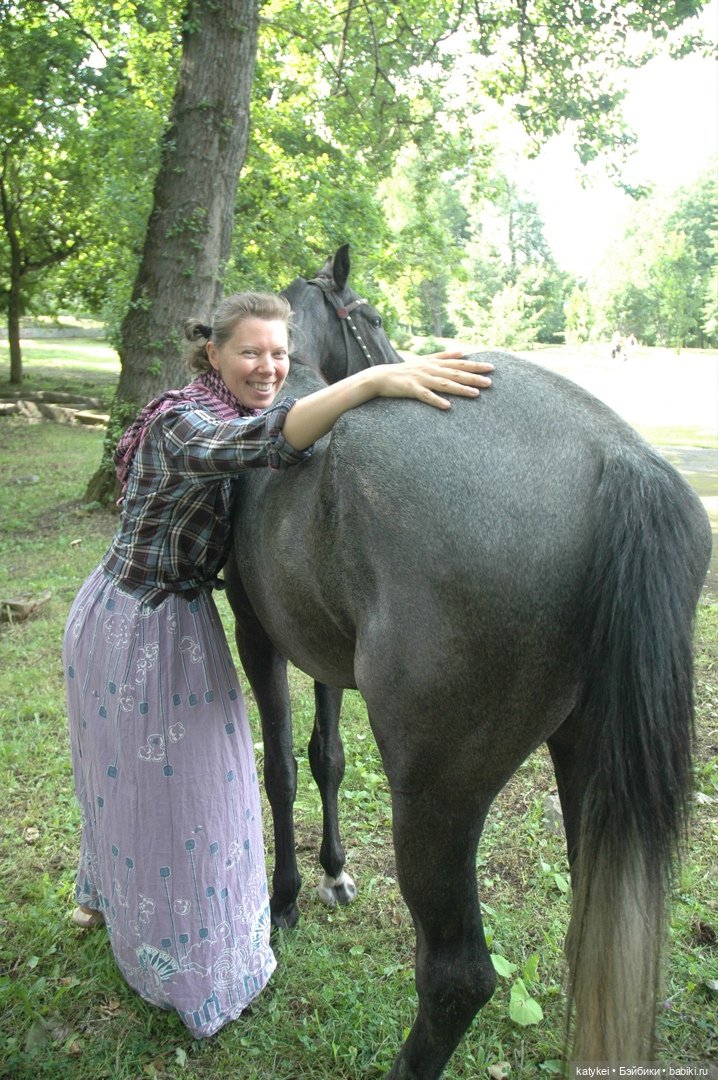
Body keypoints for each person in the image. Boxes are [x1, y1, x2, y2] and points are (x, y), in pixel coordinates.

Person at [63, 291, 493, 1038]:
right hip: (135, 625)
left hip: (172, 619)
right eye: (250, 352)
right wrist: (369, 380)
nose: (268, 367)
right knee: (174, 796)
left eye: (280, 353)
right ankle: (183, 962)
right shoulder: (182, 420)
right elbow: (260, 442)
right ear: (213, 352)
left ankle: (114, 899)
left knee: (147, 781)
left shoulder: (221, 404)